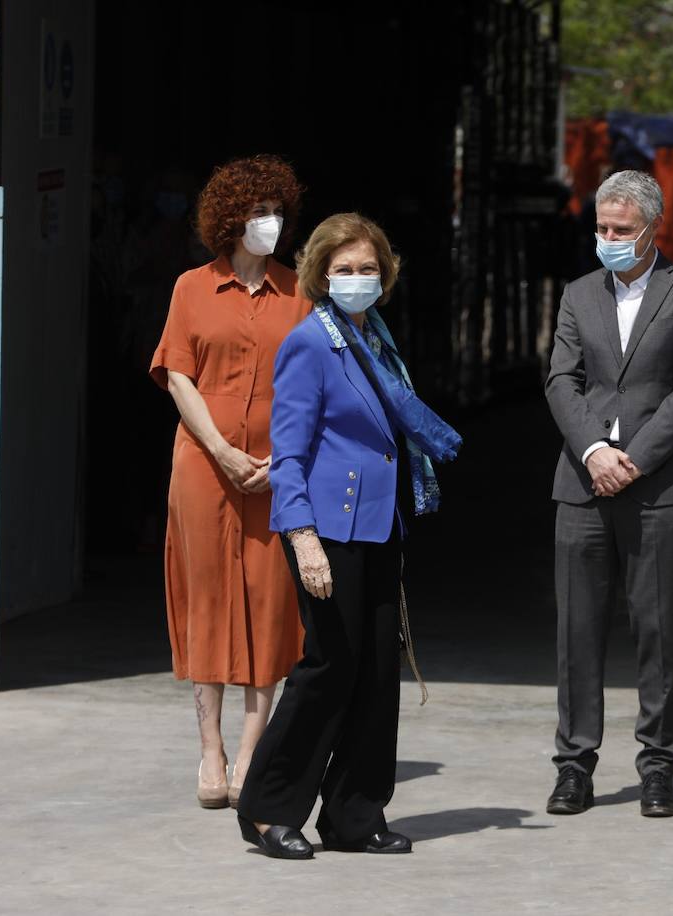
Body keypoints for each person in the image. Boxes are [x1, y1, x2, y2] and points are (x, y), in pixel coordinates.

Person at [236, 213, 461, 859]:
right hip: (326, 528)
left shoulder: (378, 343)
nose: (357, 280)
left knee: (375, 673)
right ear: (321, 276)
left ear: (384, 275)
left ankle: (354, 816)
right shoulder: (312, 343)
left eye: (367, 269)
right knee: (328, 668)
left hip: (377, 524)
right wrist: (302, 538)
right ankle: (267, 810)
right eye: (344, 270)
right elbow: (290, 451)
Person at [543, 169, 673, 818]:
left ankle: (658, 765)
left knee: (658, 629)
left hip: (659, 489)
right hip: (582, 485)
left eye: (622, 230)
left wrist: (634, 460)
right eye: (601, 228)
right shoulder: (578, 295)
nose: (609, 239)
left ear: (653, 228)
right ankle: (574, 765)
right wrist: (594, 451)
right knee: (577, 633)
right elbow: (561, 379)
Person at [149, 154, 308, 810]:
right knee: (208, 600)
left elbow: (313, 385)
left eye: (277, 212)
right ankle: (210, 747)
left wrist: (283, 458)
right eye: (258, 213)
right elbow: (178, 373)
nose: (269, 223)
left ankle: (251, 751)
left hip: (276, 470)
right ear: (229, 219)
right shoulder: (191, 287)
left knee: (271, 604)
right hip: (203, 467)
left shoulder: (300, 291)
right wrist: (219, 447)